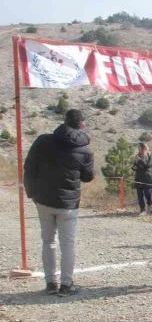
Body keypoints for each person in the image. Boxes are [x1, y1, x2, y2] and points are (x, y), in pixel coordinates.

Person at [23, 109, 94, 296]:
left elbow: (29, 167)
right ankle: (66, 285)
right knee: (67, 244)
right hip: (69, 204)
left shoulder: (42, 141)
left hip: (44, 200)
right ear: (82, 125)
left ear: (64, 121)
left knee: (48, 242)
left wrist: (32, 192)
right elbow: (88, 177)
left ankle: (50, 283)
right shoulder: (85, 149)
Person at [132, 142, 152, 216]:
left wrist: (140, 160)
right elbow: (134, 166)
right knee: (140, 195)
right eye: (138, 148)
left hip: (147, 178)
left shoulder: (150, 154)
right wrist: (134, 166)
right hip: (138, 178)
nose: (139, 149)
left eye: (140, 147)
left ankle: (150, 206)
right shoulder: (137, 155)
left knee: (147, 193)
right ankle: (142, 210)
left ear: (144, 147)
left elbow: (148, 165)